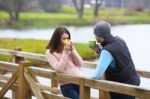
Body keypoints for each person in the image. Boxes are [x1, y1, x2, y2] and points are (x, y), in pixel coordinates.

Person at [90, 21, 140, 99]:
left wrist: (87, 81)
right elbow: (114, 60)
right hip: (134, 80)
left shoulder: (106, 51)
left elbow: (97, 75)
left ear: (98, 35)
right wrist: (99, 51)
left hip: (122, 88)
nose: (94, 37)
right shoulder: (119, 40)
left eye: (95, 35)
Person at [45, 27, 82, 99]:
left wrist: (73, 50)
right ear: (57, 39)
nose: (66, 41)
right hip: (67, 85)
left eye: (68, 38)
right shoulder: (50, 52)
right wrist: (65, 52)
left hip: (79, 81)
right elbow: (59, 69)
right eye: (63, 39)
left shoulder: (70, 47)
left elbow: (80, 64)